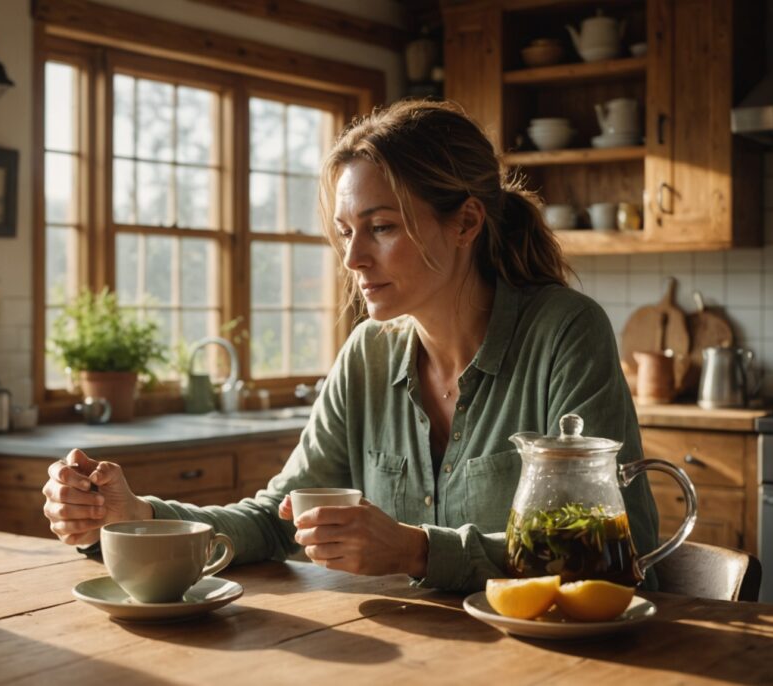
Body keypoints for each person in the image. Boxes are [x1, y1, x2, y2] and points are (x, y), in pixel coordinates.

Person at [41, 99, 660, 592]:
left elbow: (605, 557)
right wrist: (135, 517)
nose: (353, 259)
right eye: (345, 232)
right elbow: (276, 520)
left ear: (466, 222)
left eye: (382, 228)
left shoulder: (565, 331)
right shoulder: (368, 353)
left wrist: (417, 550)